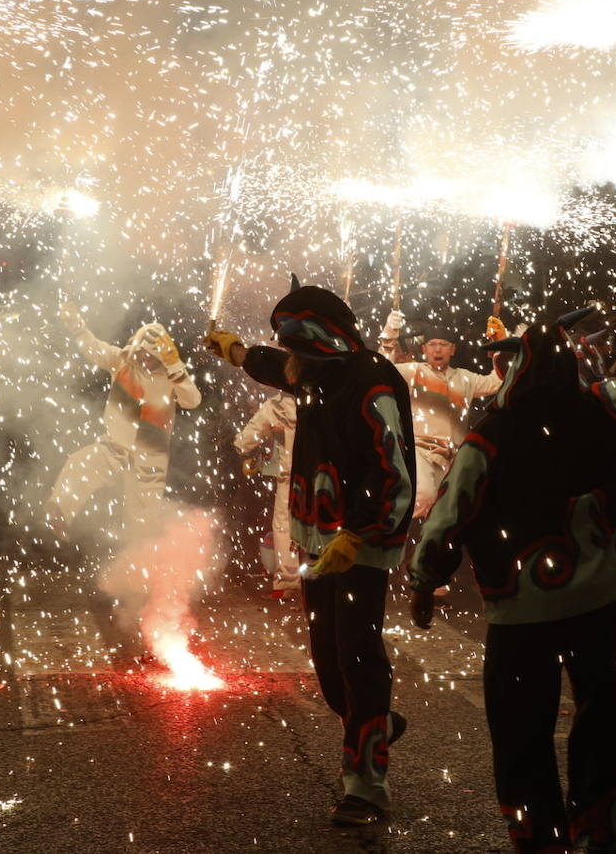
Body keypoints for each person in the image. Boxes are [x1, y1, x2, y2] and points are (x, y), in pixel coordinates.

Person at [408, 263, 616, 854]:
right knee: (603, 718)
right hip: (604, 602)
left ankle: (541, 844)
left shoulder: (489, 437)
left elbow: (448, 519)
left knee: (521, 736)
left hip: (521, 614)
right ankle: (601, 839)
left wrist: (424, 582)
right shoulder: (604, 406)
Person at [206, 278, 414, 826]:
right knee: (327, 661)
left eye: (300, 346)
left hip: (360, 544)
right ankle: (373, 723)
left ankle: (366, 785)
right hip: (319, 539)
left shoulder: (371, 382)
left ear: (326, 342)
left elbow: (392, 472)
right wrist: (236, 351)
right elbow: (278, 367)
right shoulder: (314, 371)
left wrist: (359, 534)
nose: (291, 359)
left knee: (358, 658)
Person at [46, 307, 201, 534]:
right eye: (140, 352)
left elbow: (192, 400)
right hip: (115, 446)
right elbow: (93, 347)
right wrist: (77, 328)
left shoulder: (171, 378)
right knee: (81, 463)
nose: (142, 358)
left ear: (160, 355)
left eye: (149, 354)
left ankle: (141, 559)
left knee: (142, 518)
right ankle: (59, 515)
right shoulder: (121, 361)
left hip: (150, 458)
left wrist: (176, 366)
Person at [378, 310, 504, 520]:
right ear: (424, 349)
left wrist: (500, 344)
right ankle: (389, 540)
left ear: (453, 349)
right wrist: (390, 333)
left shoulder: (466, 379)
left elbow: (498, 382)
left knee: (457, 510)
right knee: (423, 497)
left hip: (454, 457)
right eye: (433, 344)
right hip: (420, 451)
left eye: (443, 344)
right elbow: (381, 368)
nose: (438, 349)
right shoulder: (415, 372)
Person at [233, 392, 299, 598]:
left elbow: (244, 441)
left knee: (285, 526)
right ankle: (324, 583)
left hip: (290, 475)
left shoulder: (275, 405)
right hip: (326, 474)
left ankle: (289, 584)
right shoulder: (326, 394)